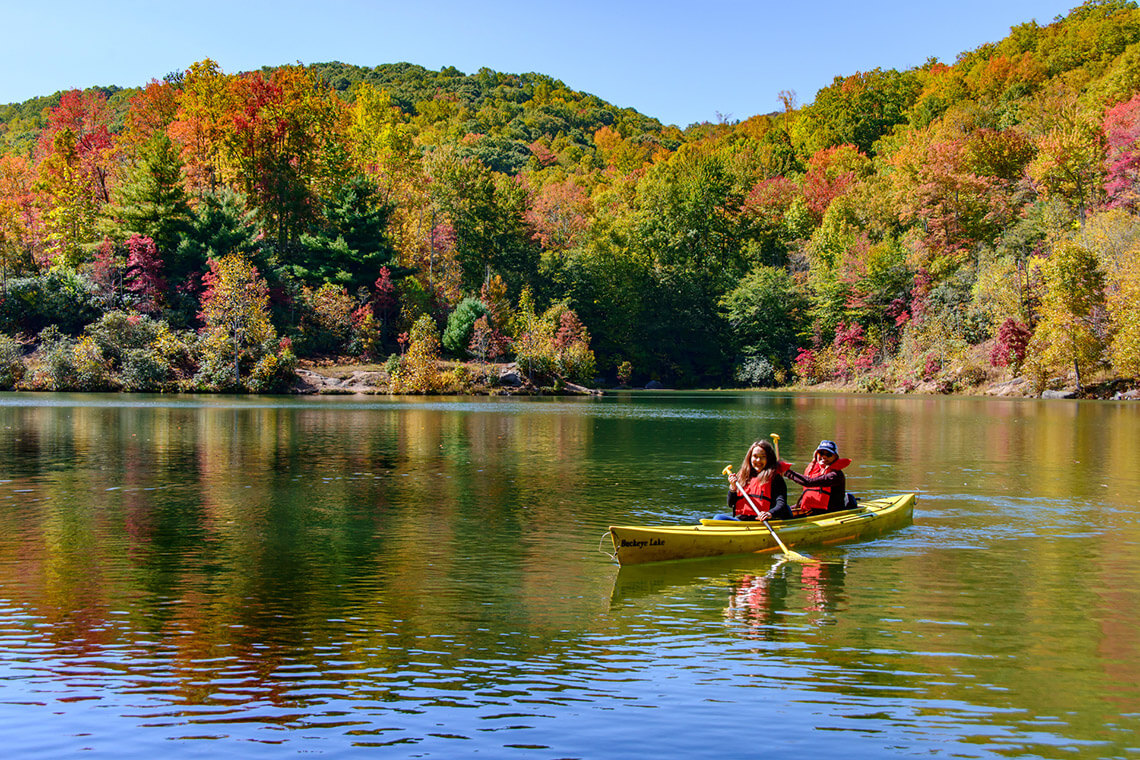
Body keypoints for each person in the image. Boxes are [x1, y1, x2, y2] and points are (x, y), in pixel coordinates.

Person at [715, 439, 791, 521]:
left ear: (769, 459)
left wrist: (769, 513)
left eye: (763, 457)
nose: (758, 460)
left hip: (764, 521)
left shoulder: (775, 478)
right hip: (744, 520)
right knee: (718, 518)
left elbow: (781, 504)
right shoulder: (742, 476)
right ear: (750, 457)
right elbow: (731, 504)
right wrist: (733, 488)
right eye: (755, 456)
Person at [785, 439, 850, 515]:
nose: (824, 457)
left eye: (828, 454)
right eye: (821, 453)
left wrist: (786, 472)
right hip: (812, 511)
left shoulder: (835, 475)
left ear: (835, 457)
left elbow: (808, 482)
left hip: (830, 513)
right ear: (816, 454)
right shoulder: (814, 471)